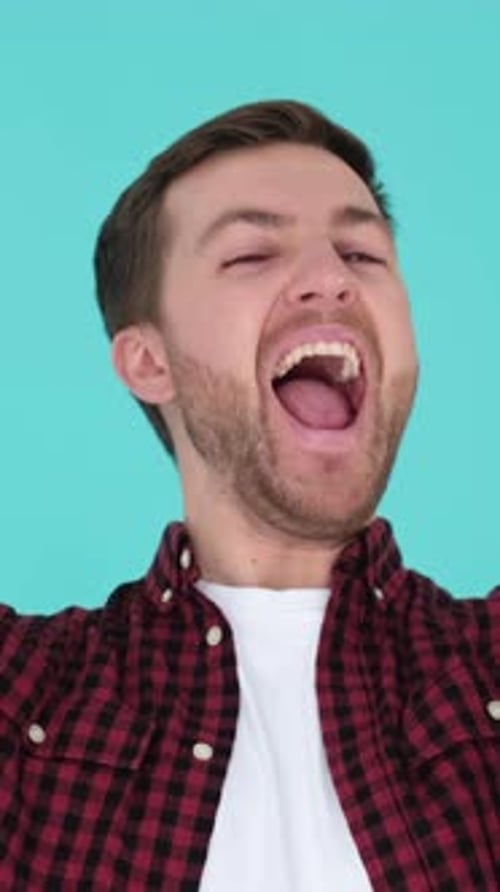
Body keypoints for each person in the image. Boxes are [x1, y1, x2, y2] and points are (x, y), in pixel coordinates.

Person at [0, 100, 498, 892]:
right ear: (148, 362)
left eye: (363, 253)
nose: (331, 279)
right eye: (252, 255)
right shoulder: (20, 696)